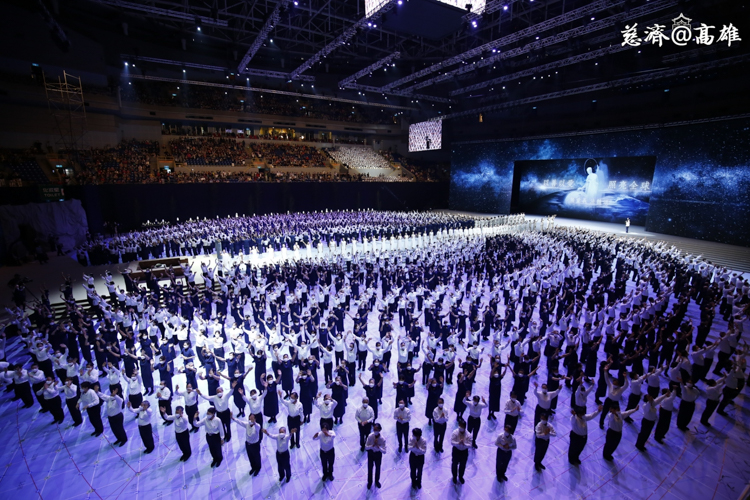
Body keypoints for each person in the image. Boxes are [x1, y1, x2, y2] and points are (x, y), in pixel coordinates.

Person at [450, 419, 472, 484]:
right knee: (454, 464)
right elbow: (452, 442)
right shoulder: (455, 432)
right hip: (456, 451)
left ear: (465, 427)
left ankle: (460, 476)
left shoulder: (468, 434)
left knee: (463, 465)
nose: (460, 427)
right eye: (459, 426)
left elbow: (470, 444)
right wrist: (458, 443)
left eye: (461, 426)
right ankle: (454, 476)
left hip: (464, 452)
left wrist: (464, 444)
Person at [365, 423, 386, 489]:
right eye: (374, 429)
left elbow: (384, 451)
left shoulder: (382, 439)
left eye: (376, 430)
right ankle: (369, 482)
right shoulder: (370, 436)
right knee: (370, 468)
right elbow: (366, 447)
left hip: (378, 454)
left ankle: (377, 481)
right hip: (371, 453)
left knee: (378, 468)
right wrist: (371, 446)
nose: (374, 431)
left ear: (379, 430)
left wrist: (379, 447)